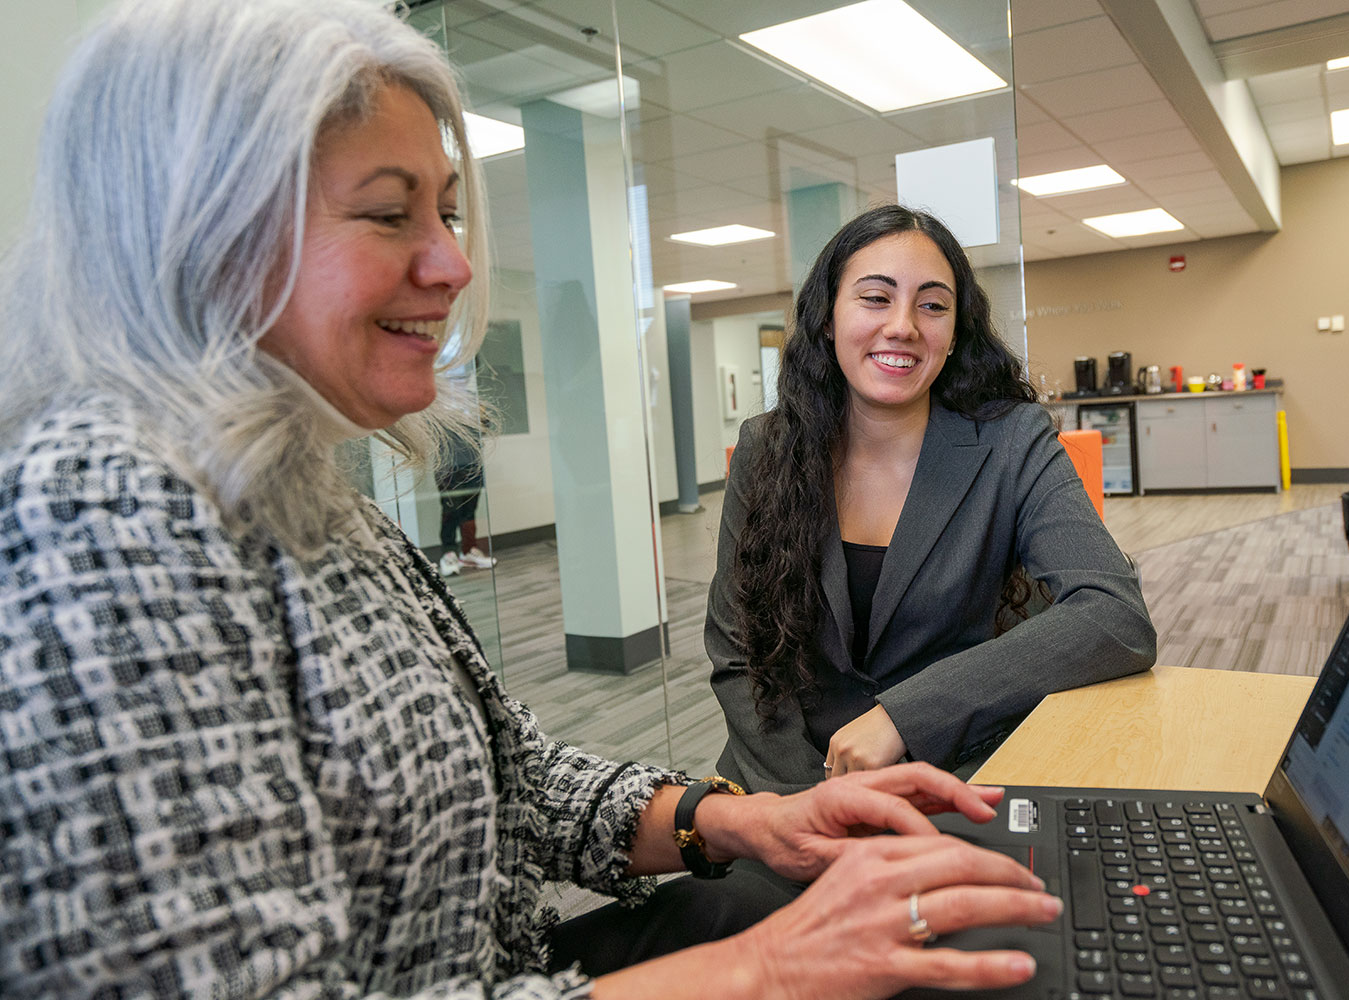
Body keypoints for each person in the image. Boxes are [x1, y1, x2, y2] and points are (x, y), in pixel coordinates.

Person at [0, 2, 1064, 998]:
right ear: (195, 226)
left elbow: (518, 777)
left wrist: (739, 819)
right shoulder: (94, 526)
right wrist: (764, 968)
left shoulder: (309, 497)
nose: (456, 263)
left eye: (449, 212)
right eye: (388, 213)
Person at [707, 205, 1157, 794]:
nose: (903, 326)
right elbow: (739, 652)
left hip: (949, 778)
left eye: (933, 305)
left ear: (955, 332)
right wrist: (805, 810)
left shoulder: (1013, 441)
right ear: (826, 319)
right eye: (875, 298)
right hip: (781, 785)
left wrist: (906, 716)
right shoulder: (767, 448)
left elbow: (1115, 615)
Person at [436, 418, 496, 576]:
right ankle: (448, 553)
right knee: (451, 510)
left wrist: (480, 418)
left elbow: (485, 426)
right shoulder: (441, 401)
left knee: (470, 511)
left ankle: (468, 551)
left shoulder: (470, 400)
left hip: (472, 462)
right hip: (449, 464)